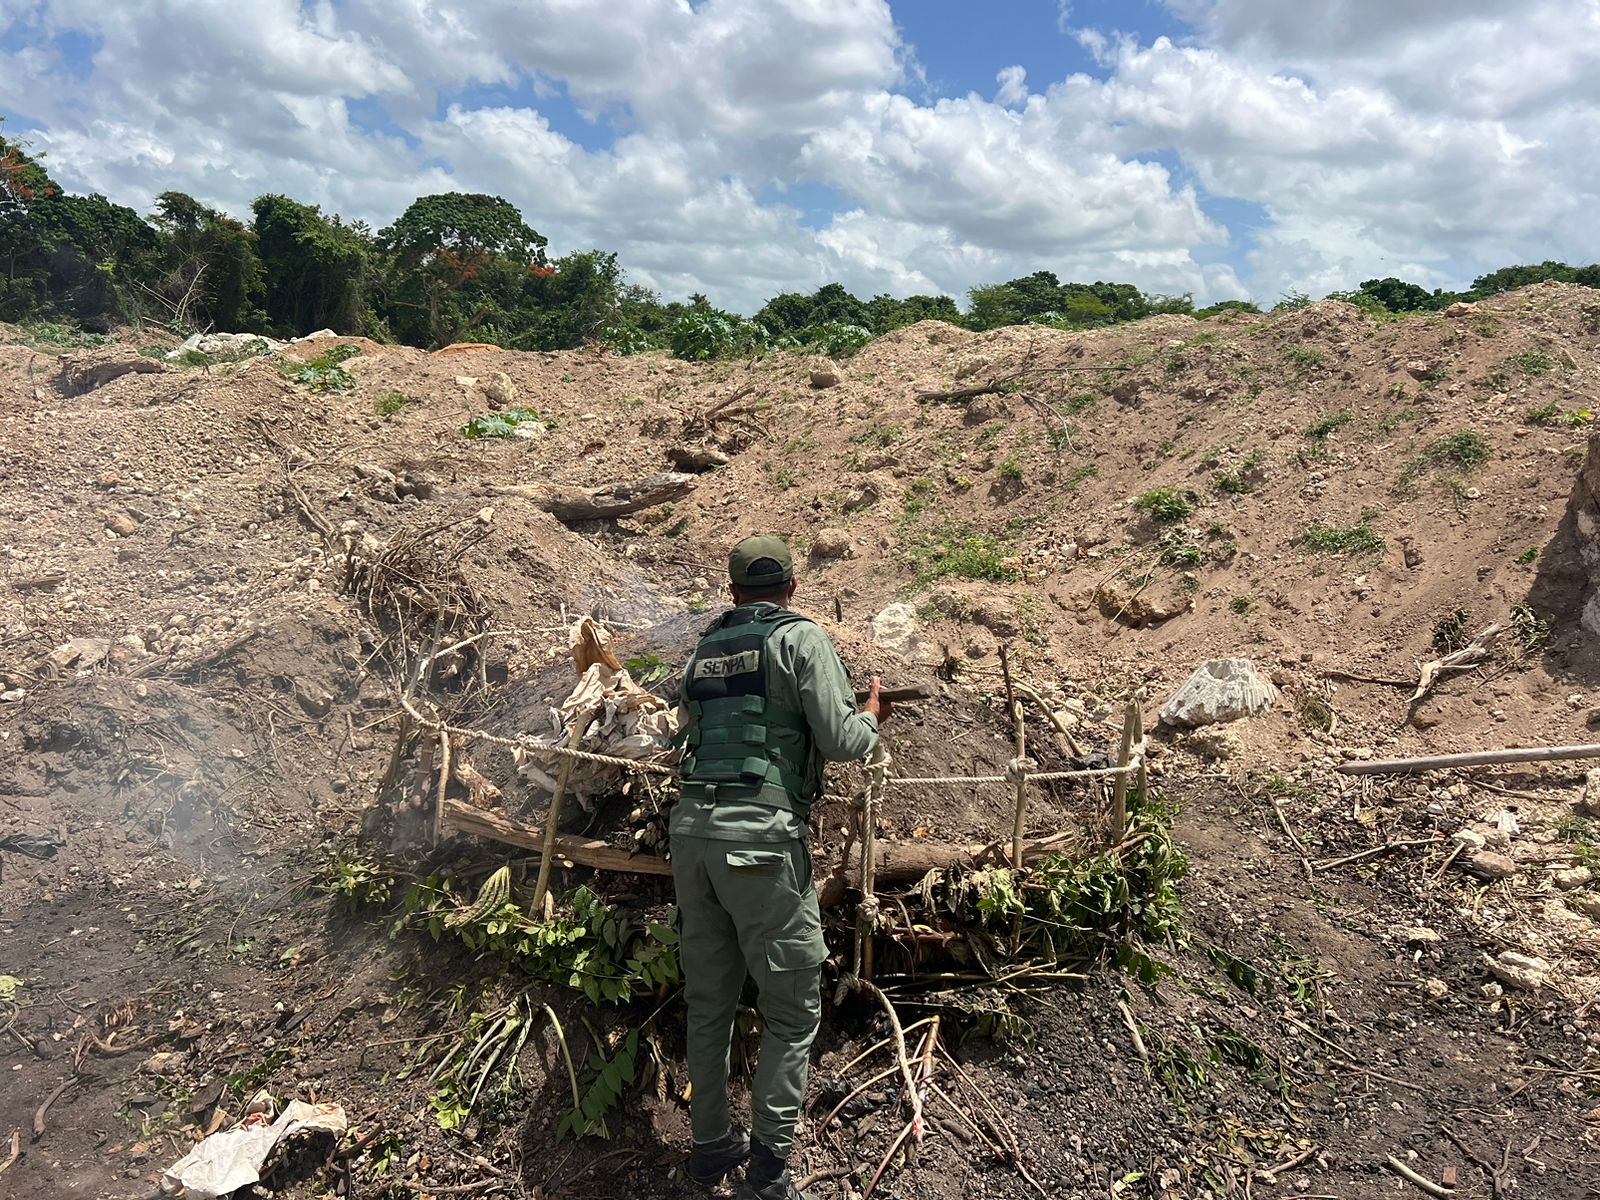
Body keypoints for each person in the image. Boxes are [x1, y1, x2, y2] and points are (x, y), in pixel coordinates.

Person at [672, 534, 891, 1200]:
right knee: (793, 1013)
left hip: (692, 840)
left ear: (733, 591)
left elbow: (688, 735)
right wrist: (872, 713)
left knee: (708, 1005)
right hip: (761, 848)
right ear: (793, 587)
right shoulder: (802, 640)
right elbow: (841, 739)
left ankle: (710, 1149)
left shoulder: (704, 648)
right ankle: (767, 1176)